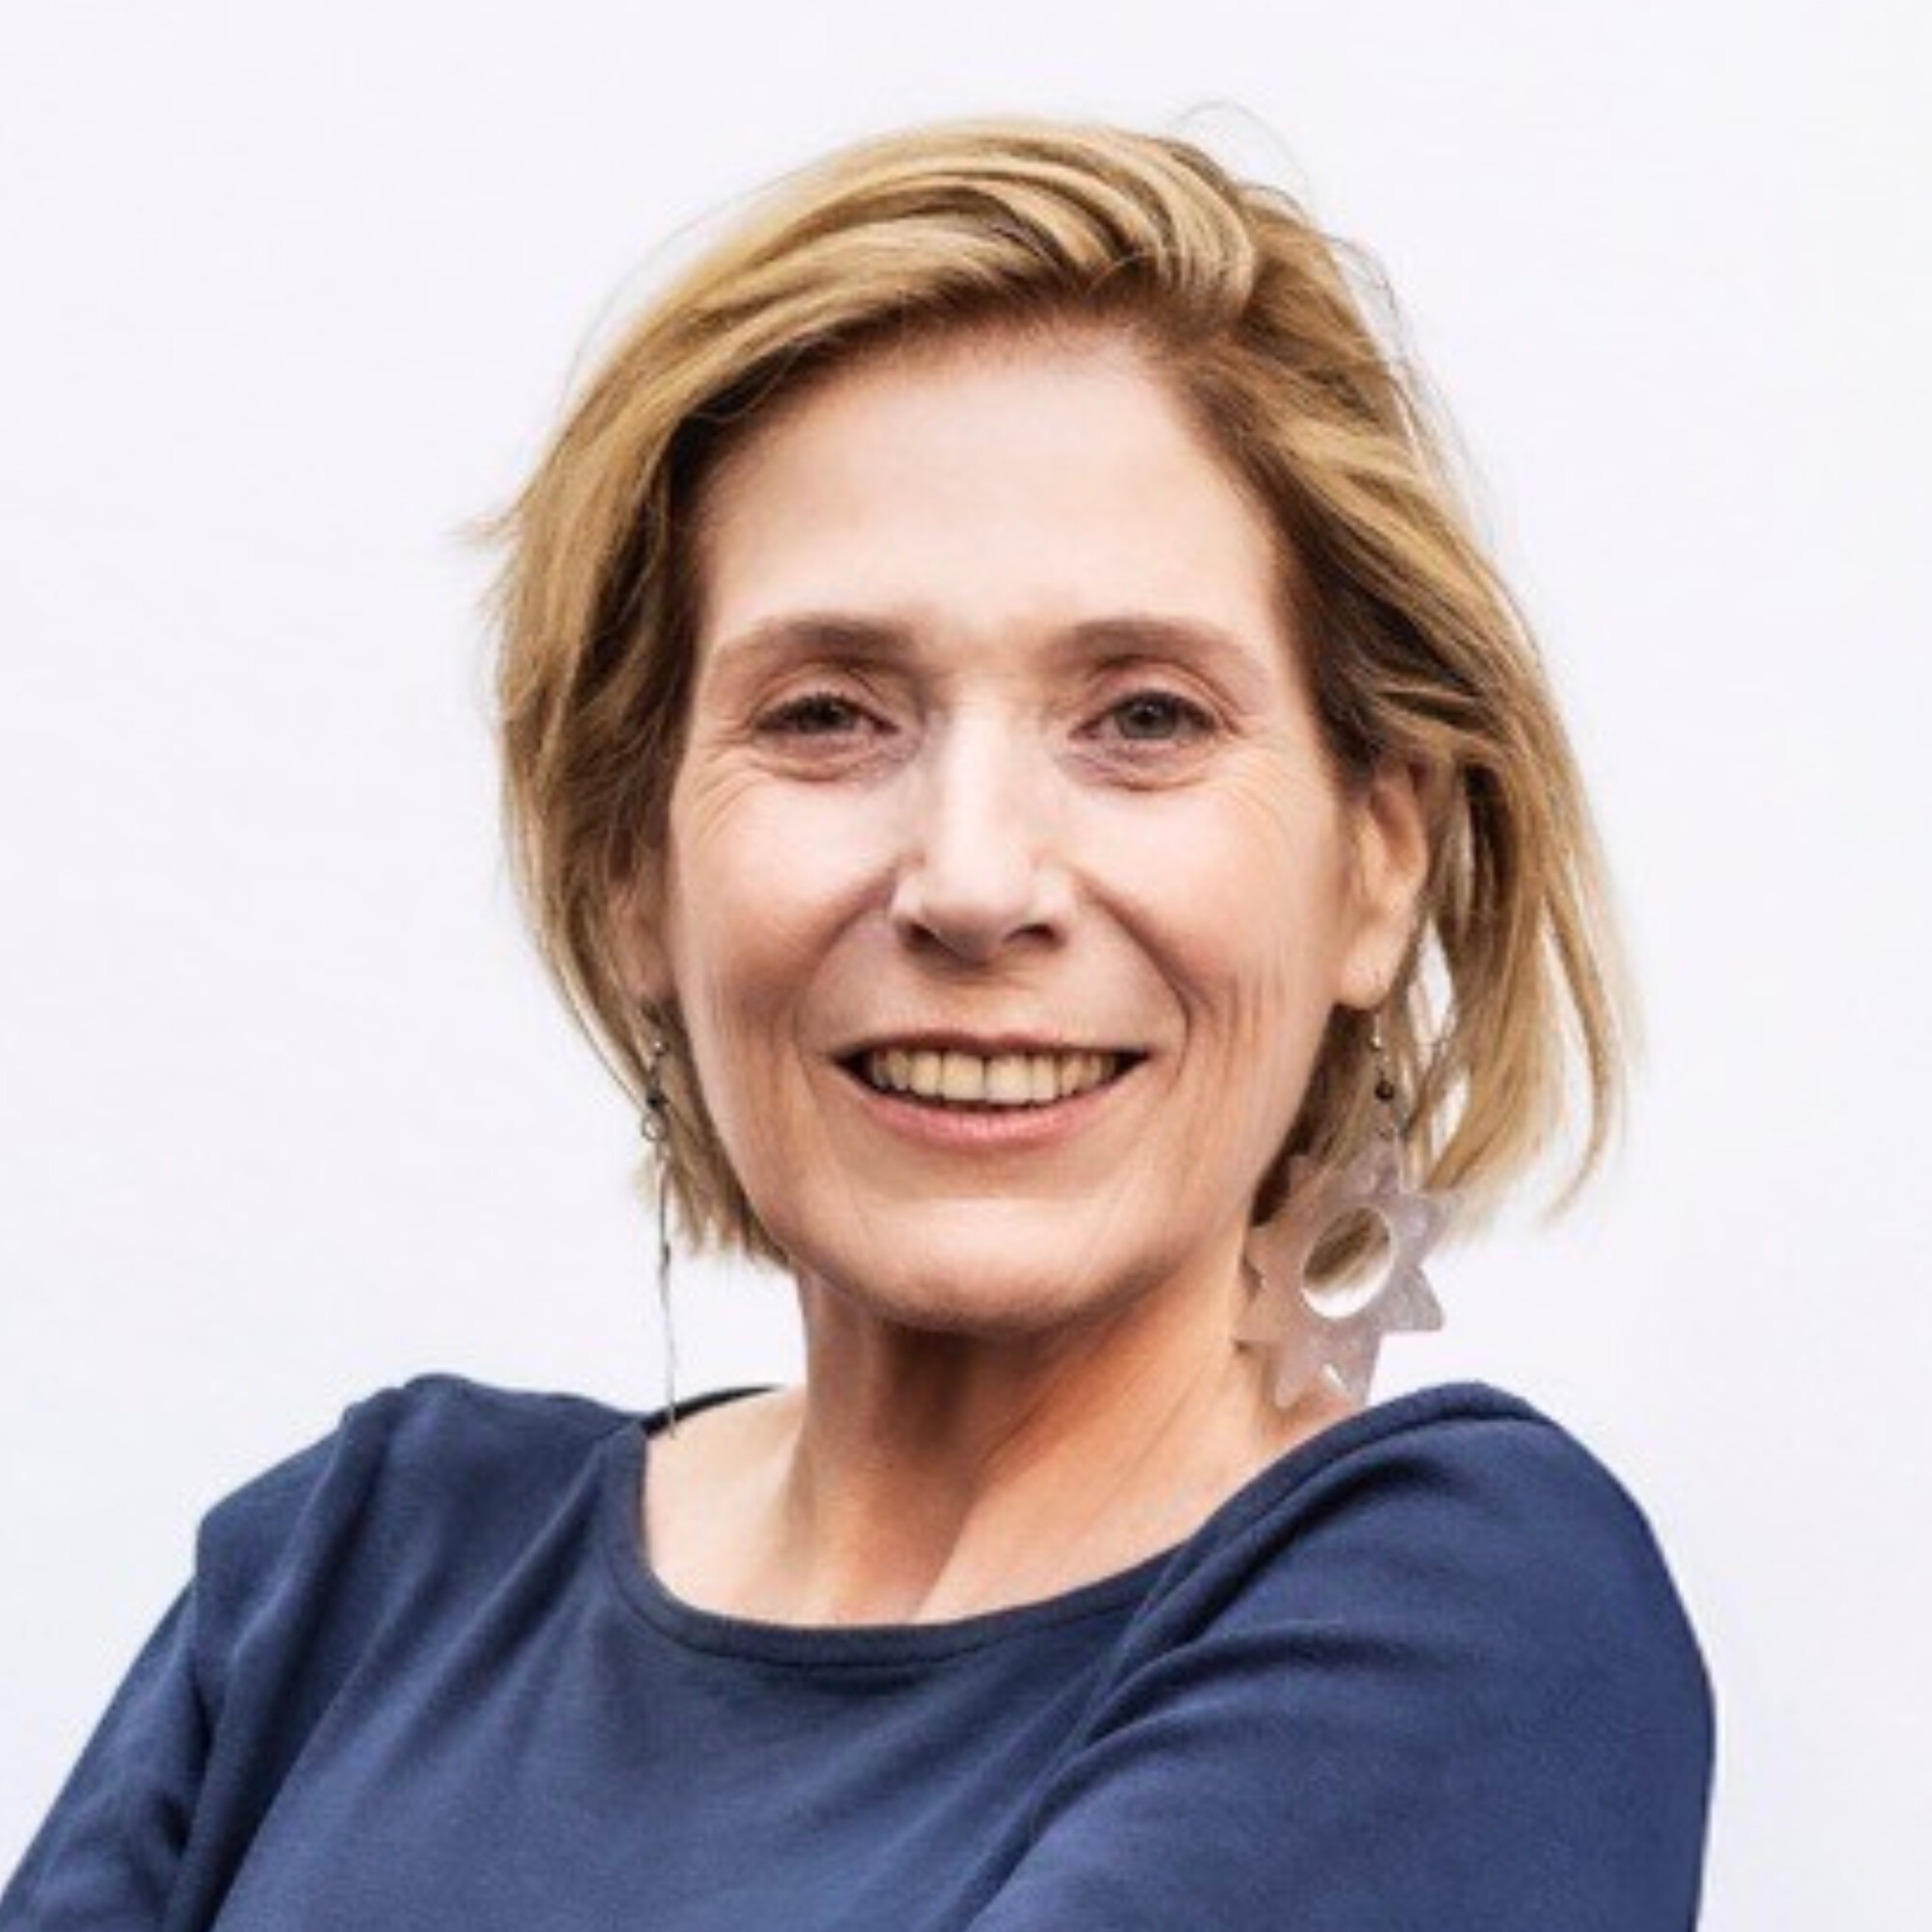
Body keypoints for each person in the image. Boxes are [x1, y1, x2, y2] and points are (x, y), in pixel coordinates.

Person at [1, 114, 1716, 1929]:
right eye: (827, 715)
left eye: (1142, 718)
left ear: (1377, 867)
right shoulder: (351, 1575)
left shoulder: (1462, 1613)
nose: (974, 883)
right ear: (631, 873)